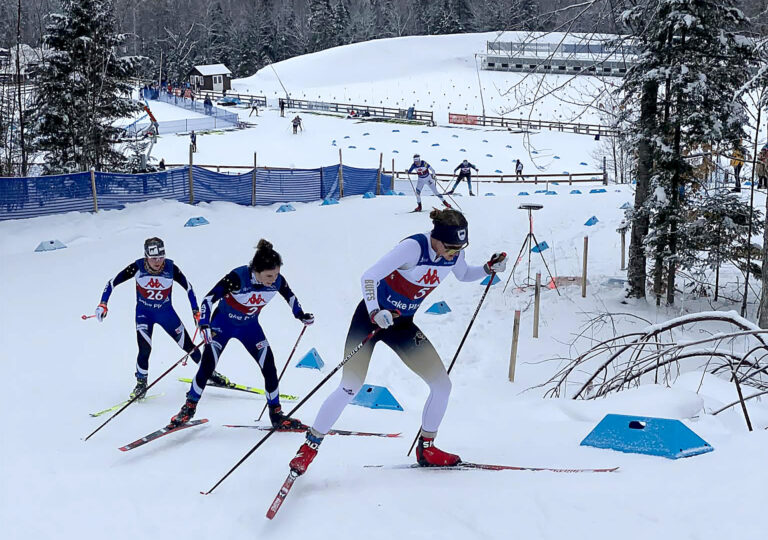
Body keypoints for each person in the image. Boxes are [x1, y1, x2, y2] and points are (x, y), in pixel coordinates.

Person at [288, 209, 507, 475]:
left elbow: (463, 274)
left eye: (460, 248)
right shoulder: (413, 248)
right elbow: (369, 276)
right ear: (436, 238)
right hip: (370, 319)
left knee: (442, 385)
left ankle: (427, 448)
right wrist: (374, 311)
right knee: (350, 386)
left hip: (401, 324)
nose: (454, 254)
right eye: (450, 248)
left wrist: (487, 269)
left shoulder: (453, 252)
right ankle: (309, 447)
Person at [169, 239, 315, 428]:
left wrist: (301, 315)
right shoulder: (237, 277)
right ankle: (189, 408)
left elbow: (290, 296)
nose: (274, 280)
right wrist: (204, 324)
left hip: (250, 328)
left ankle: (276, 414)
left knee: (269, 367)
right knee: (207, 365)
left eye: (276, 274)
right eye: (269, 275)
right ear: (256, 270)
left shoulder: (277, 281)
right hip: (222, 326)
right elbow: (208, 299)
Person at [95, 238, 227, 399]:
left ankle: (209, 373)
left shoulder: (171, 268)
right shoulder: (137, 267)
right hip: (144, 315)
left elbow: (189, 288)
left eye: (161, 257)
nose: (158, 262)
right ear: (146, 257)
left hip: (166, 314)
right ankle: (141, 384)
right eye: (153, 258)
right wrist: (103, 303)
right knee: (144, 349)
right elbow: (111, 283)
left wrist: (196, 311)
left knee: (188, 346)